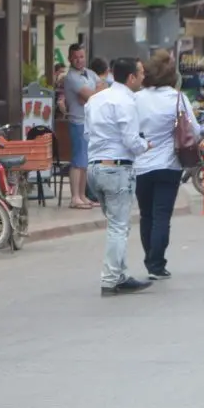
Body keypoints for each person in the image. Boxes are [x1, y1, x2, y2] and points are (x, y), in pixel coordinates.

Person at [84, 57, 152, 297]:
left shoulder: (94, 100)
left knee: (116, 224)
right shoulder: (126, 101)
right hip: (117, 168)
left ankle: (120, 274)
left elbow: (86, 134)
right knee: (118, 226)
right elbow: (131, 140)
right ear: (131, 77)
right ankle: (112, 278)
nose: (144, 77)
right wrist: (146, 145)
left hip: (95, 168)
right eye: (141, 73)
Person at [134, 49, 199, 281]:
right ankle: (156, 264)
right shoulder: (178, 98)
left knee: (146, 215)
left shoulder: (137, 98)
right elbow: (195, 130)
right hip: (169, 165)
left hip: (141, 165)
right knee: (162, 215)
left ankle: (149, 259)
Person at [65, 43, 108, 209]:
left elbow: (103, 89)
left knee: (85, 161)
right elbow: (89, 96)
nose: (78, 60)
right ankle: (75, 197)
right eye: (75, 57)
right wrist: (91, 96)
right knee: (78, 160)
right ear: (70, 58)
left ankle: (82, 195)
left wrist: (90, 96)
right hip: (78, 121)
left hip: (90, 122)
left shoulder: (90, 73)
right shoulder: (71, 77)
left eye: (81, 56)